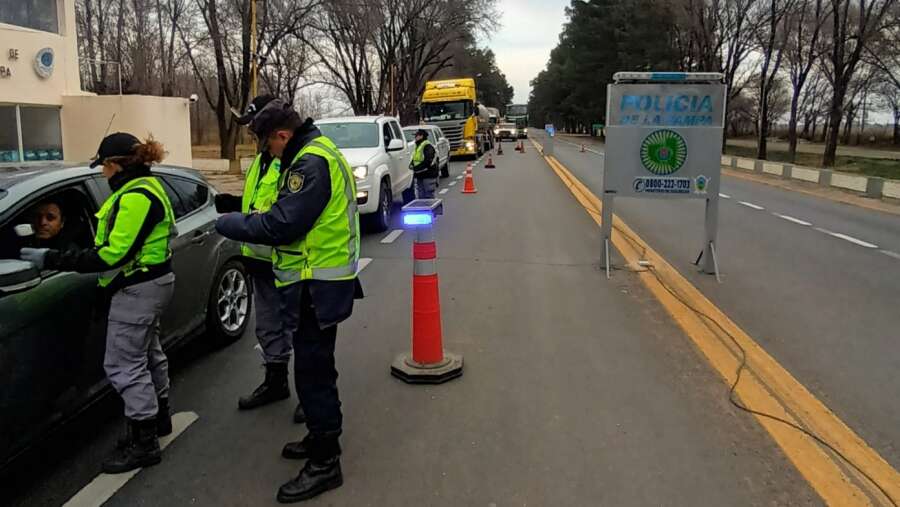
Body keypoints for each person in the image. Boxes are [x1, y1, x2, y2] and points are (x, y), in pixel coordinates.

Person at [215, 98, 362, 503]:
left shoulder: (309, 163)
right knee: (316, 367)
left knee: (313, 373)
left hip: (317, 283)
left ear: (282, 135)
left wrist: (230, 223)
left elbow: (283, 224)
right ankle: (319, 437)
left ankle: (325, 462)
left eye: (268, 145)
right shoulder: (314, 152)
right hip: (318, 282)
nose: (270, 153)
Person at [20, 133, 177, 474]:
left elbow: (111, 255)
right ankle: (158, 418)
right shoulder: (143, 187)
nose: (103, 173)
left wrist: (52, 258)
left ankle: (145, 443)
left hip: (138, 287)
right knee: (148, 353)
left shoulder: (136, 197)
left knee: (123, 365)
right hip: (148, 283)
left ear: (114, 165)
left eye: (103, 166)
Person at [214, 95, 304, 423]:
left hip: (288, 260)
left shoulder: (294, 159)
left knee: (300, 329)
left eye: (256, 128)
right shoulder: (261, 160)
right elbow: (259, 202)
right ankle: (275, 381)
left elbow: (287, 212)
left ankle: (310, 392)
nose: (254, 134)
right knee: (267, 327)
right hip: (259, 258)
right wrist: (233, 203)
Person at [410, 129, 438, 199]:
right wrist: (411, 164)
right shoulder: (418, 146)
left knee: (428, 195)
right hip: (420, 175)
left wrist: (416, 168)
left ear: (421, 136)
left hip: (428, 175)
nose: (415, 137)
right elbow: (416, 158)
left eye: (416, 136)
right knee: (421, 196)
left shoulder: (427, 146)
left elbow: (428, 162)